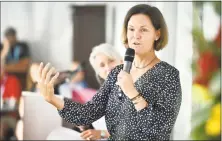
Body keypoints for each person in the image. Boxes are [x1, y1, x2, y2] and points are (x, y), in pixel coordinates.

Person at [37, 4, 182, 140]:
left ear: (157, 34)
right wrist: (52, 99)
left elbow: (160, 129)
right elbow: (88, 113)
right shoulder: (117, 72)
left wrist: (132, 93)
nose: (135, 35)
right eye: (131, 29)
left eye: (143, 30)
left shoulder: (168, 75)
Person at [47, 43, 122, 140]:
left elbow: (134, 128)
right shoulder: (105, 92)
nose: (108, 68)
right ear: (98, 73)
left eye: (111, 61)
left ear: (121, 61)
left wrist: (102, 133)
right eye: (102, 65)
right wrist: (86, 127)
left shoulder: (131, 87)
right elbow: (87, 114)